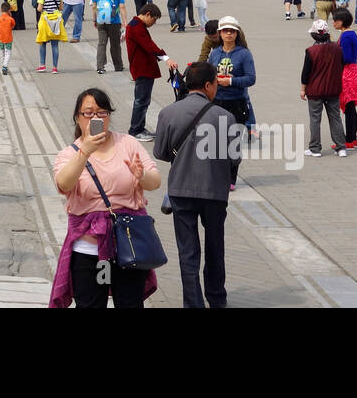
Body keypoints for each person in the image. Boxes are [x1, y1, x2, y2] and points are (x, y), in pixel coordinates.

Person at [50, 87, 161, 308]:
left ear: (109, 116)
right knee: (90, 304)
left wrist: (142, 176)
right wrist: (85, 151)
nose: (95, 118)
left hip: (128, 246)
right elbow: (63, 184)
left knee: (130, 303)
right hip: (89, 251)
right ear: (77, 118)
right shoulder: (69, 154)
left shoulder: (128, 143)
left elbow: (155, 181)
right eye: (88, 113)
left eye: (102, 113)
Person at [154, 61, 237, 308]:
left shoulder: (168, 112)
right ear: (209, 85)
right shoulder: (225, 116)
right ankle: (216, 299)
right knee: (215, 247)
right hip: (214, 191)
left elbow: (160, 152)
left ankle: (193, 302)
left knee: (187, 252)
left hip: (181, 189)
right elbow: (234, 157)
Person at [207, 16, 255, 189]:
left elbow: (251, 78)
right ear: (219, 33)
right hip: (217, 102)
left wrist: (232, 81)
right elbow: (209, 73)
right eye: (225, 31)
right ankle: (216, 175)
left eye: (232, 31)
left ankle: (230, 178)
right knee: (215, 141)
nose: (228, 34)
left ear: (237, 33)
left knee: (233, 142)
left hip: (236, 102)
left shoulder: (244, 53)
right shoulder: (215, 53)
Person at [125, 2, 175, 142]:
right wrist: (166, 58)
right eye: (153, 19)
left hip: (144, 67)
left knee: (144, 100)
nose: (153, 23)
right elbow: (149, 45)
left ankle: (140, 127)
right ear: (147, 15)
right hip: (142, 68)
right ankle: (135, 130)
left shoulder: (137, 25)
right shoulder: (136, 27)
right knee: (141, 101)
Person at [300, 20, 347, 158]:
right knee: (335, 118)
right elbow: (342, 65)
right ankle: (341, 147)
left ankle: (315, 148)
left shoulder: (311, 51)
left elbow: (305, 73)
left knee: (315, 119)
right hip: (333, 88)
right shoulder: (337, 49)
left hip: (315, 90)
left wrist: (303, 89)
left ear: (314, 35)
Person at [332, 9, 357, 148]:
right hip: (352, 72)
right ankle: (352, 138)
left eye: (335, 21)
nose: (333, 23)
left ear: (341, 22)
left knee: (349, 108)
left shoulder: (345, 36)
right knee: (351, 109)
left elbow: (347, 57)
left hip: (347, 74)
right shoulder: (350, 34)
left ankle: (349, 140)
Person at [92, 0, 127, 75]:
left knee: (102, 44)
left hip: (101, 21)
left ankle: (100, 66)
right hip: (114, 21)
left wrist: (94, 19)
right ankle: (118, 65)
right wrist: (124, 21)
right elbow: (122, 7)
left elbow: (94, 7)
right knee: (115, 44)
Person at [34, 0, 67, 73]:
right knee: (55, 44)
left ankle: (42, 65)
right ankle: (54, 68)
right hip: (56, 19)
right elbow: (61, 8)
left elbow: (39, 8)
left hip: (45, 19)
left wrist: (40, 7)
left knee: (43, 42)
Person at [0, 1, 15, 74]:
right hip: (8, 39)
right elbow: (13, 26)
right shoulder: (11, 19)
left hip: (1, 38)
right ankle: (5, 66)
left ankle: (3, 65)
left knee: (2, 53)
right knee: (8, 53)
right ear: (9, 10)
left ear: (1, 10)